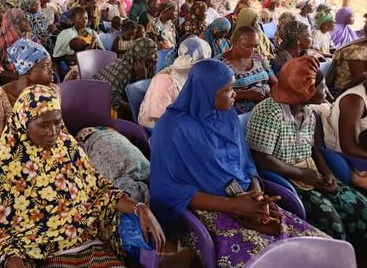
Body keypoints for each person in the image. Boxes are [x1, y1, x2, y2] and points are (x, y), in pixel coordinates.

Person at [150, 59, 325, 268]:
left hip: (246, 198)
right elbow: (166, 189)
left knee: (313, 249)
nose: (235, 94)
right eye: (228, 90)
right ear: (206, 92)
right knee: (263, 259)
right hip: (204, 209)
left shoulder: (228, 115)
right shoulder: (171, 128)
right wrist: (233, 205)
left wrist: (257, 194)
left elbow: (245, 163)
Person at [0, 85, 165, 268]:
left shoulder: (67, 148)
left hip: (90, 246)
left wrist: (141, 208)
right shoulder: (8, 164)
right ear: (24, 123)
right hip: (43, 257)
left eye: (57, 122)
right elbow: (2, 234)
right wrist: (14, 261)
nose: (53, 132)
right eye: (43, 125)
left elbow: (100, 190)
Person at [247, 56, 367, 245]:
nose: (326, 91)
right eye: (322, 86)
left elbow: (311, 148)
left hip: (311, 173)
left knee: (360, 207)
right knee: (332, 221)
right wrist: (301, 173)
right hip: (285, 178)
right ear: (306, 88)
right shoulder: (269, 112)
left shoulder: (309, 111)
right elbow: (261, 157)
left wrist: (327, 172)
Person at [0, 39, 53, 204]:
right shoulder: (0, 98)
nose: (52, 72)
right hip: (1, 160)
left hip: (36, 156)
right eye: (45, 67)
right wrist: (25, 164)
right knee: (9, 197)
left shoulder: (47, 94)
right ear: (27, 71)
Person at [138, 36, 211, 129]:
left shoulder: (191, 77)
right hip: (159, 127)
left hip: (179, 121)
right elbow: (161, 119)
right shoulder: (164, 80)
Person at [218, 26, 278, 113]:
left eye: (255, 46)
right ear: (235, 42)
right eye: (247, 46)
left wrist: (271, 95)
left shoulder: (258, 58)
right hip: (237, 113)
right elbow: (217, 95)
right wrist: (245, 94)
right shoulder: (221, 64)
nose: (252, 50)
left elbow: (275, 82)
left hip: (264, 110)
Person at [93, 38, 157, 112]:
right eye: (152, 53)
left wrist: (142, 78)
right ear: (141, 53)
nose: (156, 57)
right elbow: (111, 98)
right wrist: (134, 110)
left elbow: (150, 92)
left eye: (156, 52)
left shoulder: (148, 67)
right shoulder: (124, 68)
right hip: (98, 99)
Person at [0, 9, 35, 85]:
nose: (28, 22)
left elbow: (43, 58)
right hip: (12, 83)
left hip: (34, 79)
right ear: (14, 23)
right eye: (23, 19)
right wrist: (21, 78)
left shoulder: (31, 38)